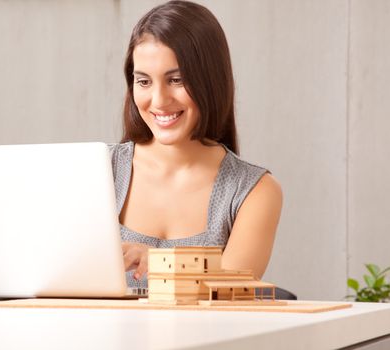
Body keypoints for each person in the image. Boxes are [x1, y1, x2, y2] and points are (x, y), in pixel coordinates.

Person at [109, 0, 282, 289]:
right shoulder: (100, 170)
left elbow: (231, 291)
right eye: (144, 82)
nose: (159, 100)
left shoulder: (254, 190)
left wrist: (161, 262)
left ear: (210, 81)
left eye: (176, 79)